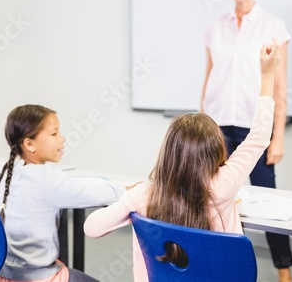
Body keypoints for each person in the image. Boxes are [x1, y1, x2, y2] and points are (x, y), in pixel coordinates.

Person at [84, 40, 281, 282]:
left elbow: (91, 228)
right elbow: (259, 136)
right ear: (216, 150)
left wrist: (128, 201)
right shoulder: (224, 184)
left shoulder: (144, 194)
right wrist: (267, 74)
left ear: (169, 151)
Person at [200, 0, 292, 281]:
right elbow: (209, 78)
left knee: (269, 202)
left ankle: (283, 271)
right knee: (213, 199)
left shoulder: (272, 26)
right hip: (216, 127)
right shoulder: (215, 28)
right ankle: (215, 264)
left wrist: (277, 137)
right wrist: (201, 125)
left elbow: (280, 86)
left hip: (256, 127)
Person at [0, 104, 126, 282]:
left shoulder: (6, 172)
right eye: (54, 134)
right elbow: (99, 195)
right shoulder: (49, 179)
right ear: (29, 144)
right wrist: (127, 189)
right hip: (41, 277)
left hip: (2, 275)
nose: (62, 139)